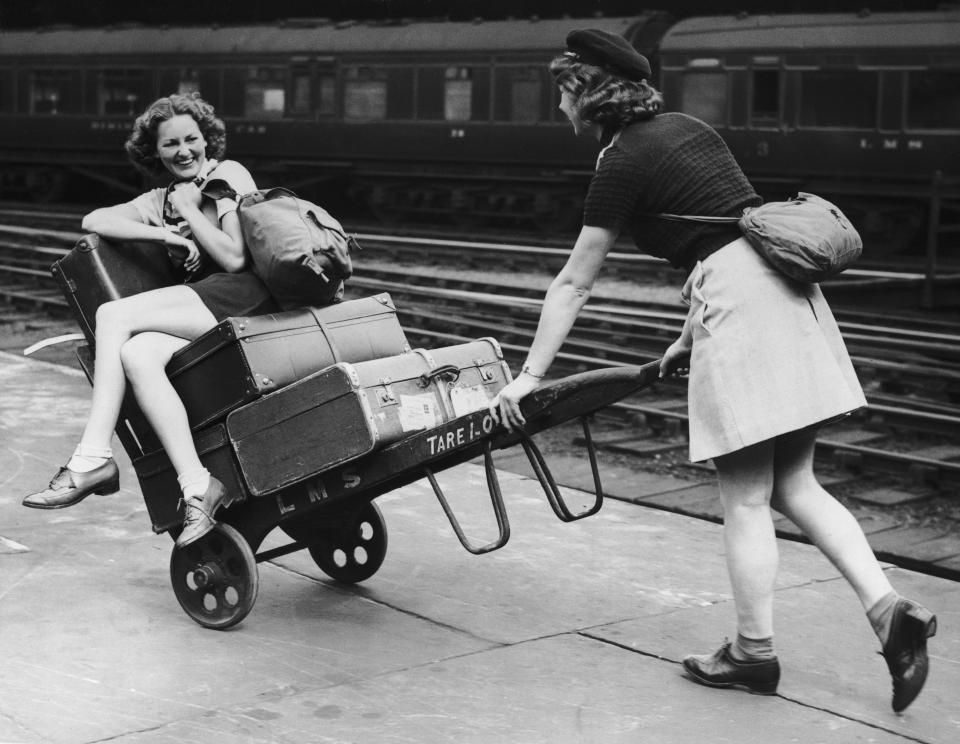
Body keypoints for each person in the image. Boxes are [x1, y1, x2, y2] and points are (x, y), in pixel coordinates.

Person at [488, 29, 937, 713]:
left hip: (740, 311)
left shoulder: (619, 161)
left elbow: (575, 283)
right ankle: (888, 611)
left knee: (749, 498)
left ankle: (754, 653)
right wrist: (688, 334)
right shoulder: (688, 129)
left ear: (588, 91)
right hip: (790, 299)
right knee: (796, 483)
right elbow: (731, 233)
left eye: (561, 89)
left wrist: (527, 376)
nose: (556, 104)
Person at [23, 92, 277, 548]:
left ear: (207, 139)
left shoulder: (226, 174)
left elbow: (235, 258)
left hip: (244, 299)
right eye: (170, 144)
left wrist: (188, 216)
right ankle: (198, 485)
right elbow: (94, 219)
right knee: (137, 354)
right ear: (154, 151)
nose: (184, 152)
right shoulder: (158, 199)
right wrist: (163, 231)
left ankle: (92, 457)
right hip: (206, 310)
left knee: (112, 316)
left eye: (192, 139)